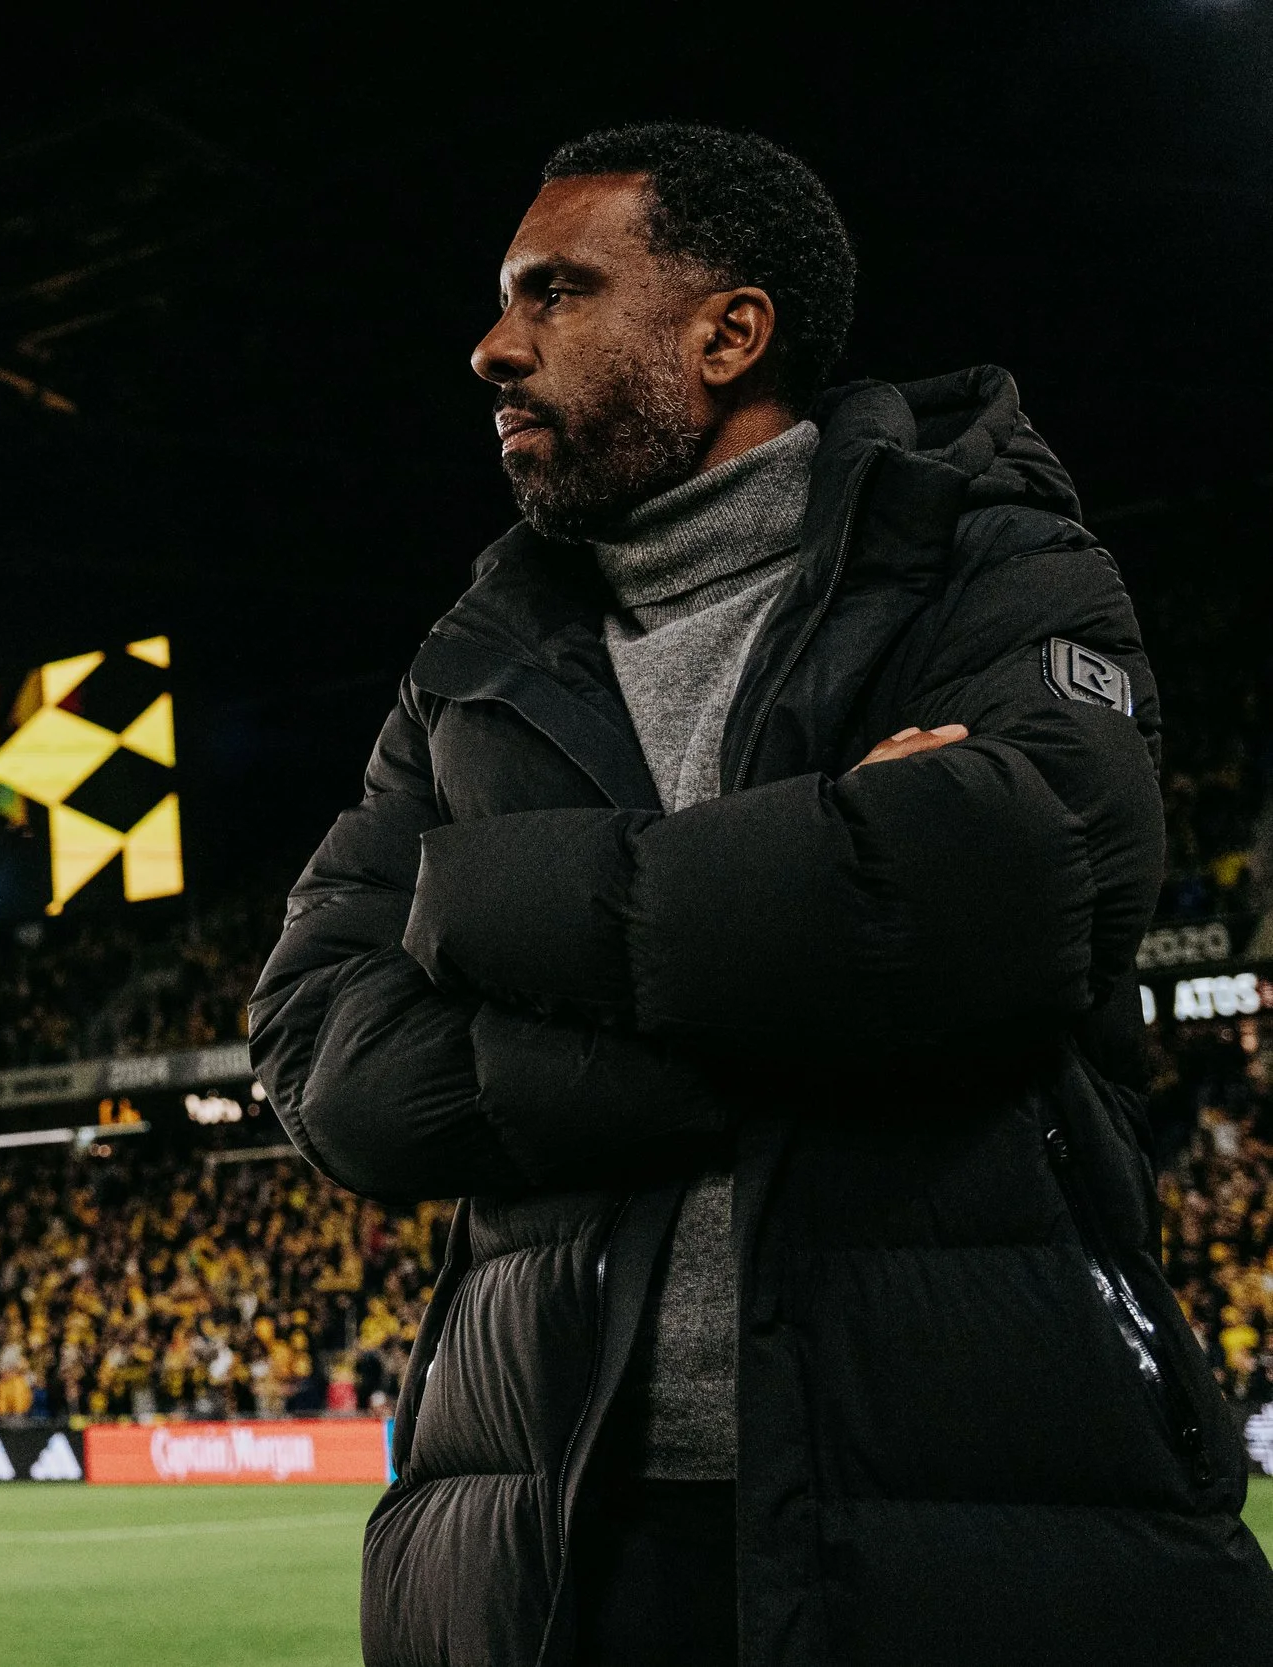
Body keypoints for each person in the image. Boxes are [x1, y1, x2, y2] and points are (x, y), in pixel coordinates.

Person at [250, 122, 1273, 1666]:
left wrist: (496, 902)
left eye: (555, 292)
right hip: (551, 1554)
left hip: (957, 1528)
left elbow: (1013, 894)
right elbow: (335, 1066)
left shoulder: (982, 561)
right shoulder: (471, 665)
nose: (493, 347)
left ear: (727, 333)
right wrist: (816, 987)